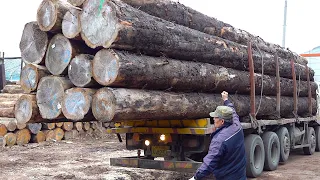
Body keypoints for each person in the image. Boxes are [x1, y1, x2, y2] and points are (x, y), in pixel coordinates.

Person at [189, 91, 246, 180]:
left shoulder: (220, 140)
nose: (213, 119)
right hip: (240, 176)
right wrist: (226, 100)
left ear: (222, 121)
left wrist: (195, 177)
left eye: (216, 117)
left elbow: (210, 161)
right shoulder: (237, 125)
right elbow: (233, 112)